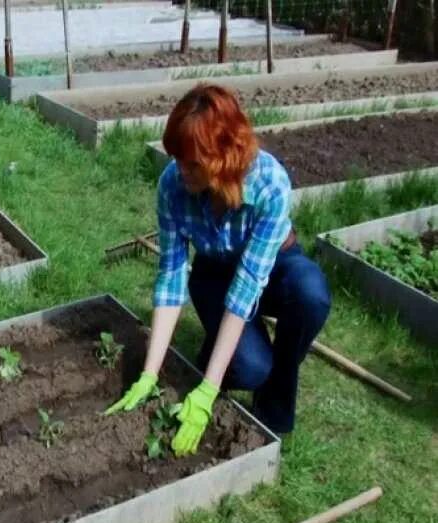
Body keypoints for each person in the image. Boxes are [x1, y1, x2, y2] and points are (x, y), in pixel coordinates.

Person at [106, 84, 331, 455]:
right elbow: (171, 276)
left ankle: (272, 405)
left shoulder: (270, 185)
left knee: (311, 294)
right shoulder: (172, 186)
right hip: (214, 272)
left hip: (272, 265)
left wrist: (208, 391)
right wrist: (149, 372)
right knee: (250, 368)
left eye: (193, 163)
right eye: (177, 158)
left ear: (224, 156)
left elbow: (247, 287)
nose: (181, 171)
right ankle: (231, 358)